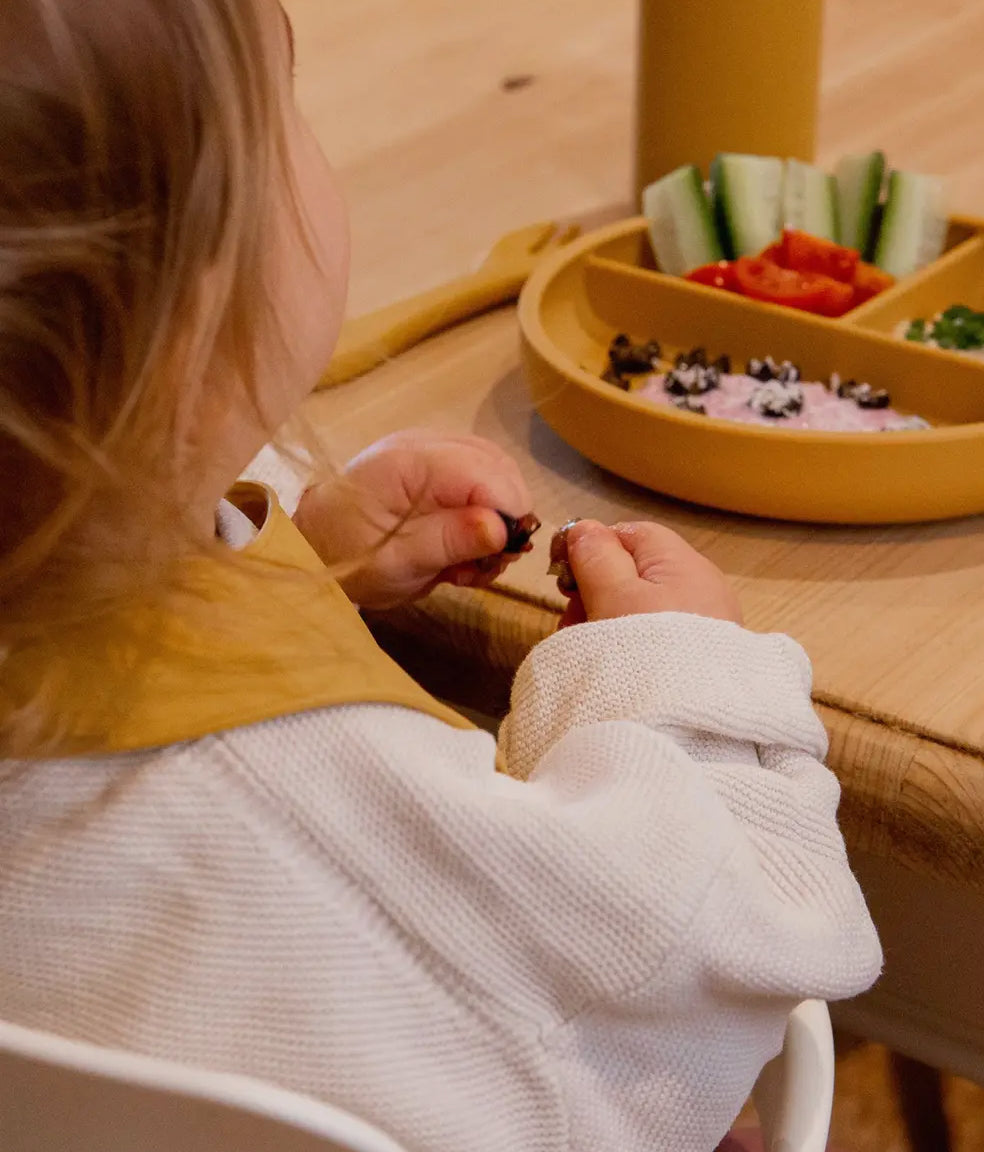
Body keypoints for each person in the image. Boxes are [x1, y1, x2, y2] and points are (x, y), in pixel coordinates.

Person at [0, 3, 881, 1151]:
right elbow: (713, 952)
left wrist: (299, 575)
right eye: (284, 112)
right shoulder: (312, 824)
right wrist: (672, 672)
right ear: (189, 311)